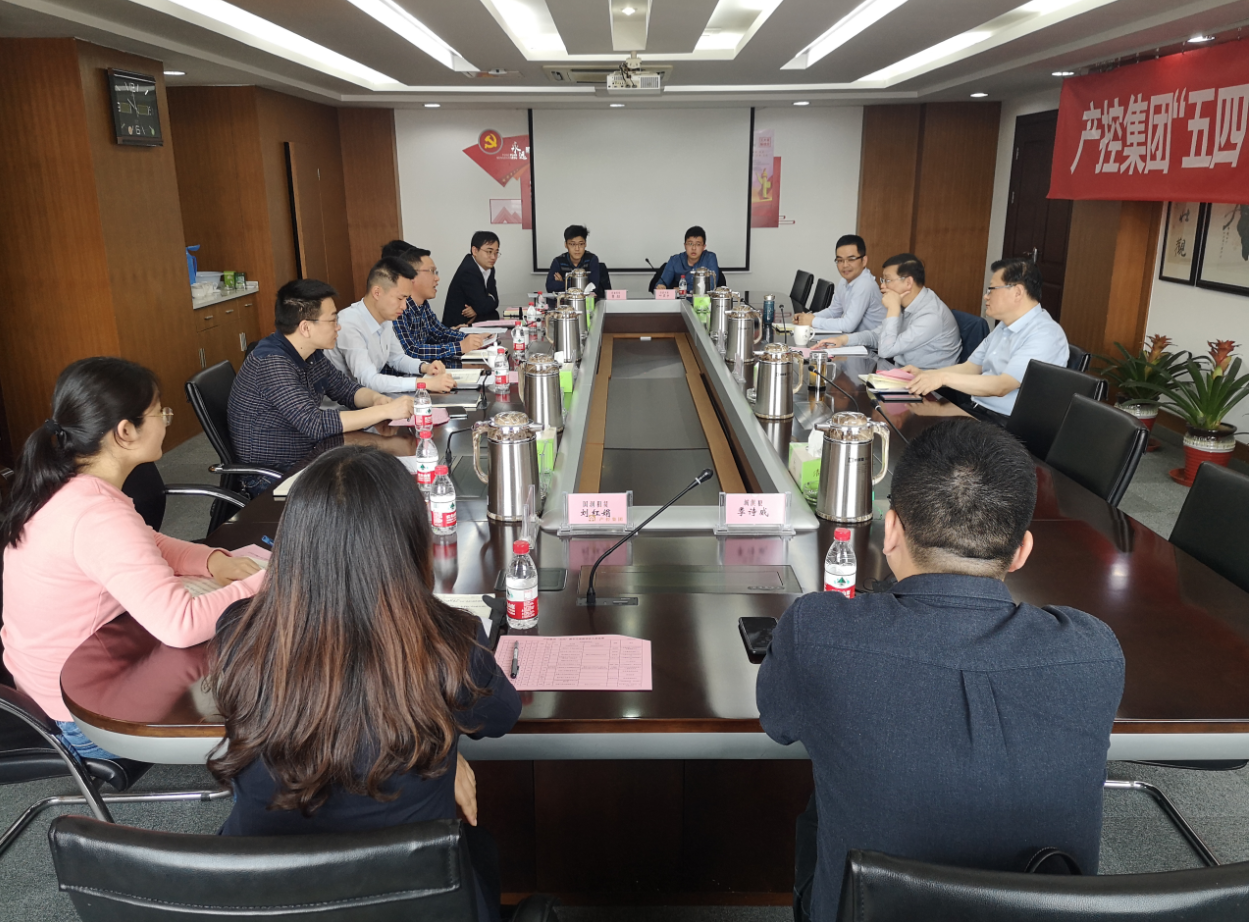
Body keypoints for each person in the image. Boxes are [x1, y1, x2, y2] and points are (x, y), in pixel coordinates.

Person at [757, 418, 1124, 922]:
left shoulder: (818, 631)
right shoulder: (1094, 651)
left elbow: (778, 723)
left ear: (890, 530)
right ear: (1022, 551)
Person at [208, 445, 520, 922]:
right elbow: (502, 717)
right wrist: (445, 745)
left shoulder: (239, 630)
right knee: (480, 849)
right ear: (409, 541)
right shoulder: (450, 641)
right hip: (413, 900)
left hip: (260, 898)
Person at [1, 357, 266, 759]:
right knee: (271, 694)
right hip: (82, 719)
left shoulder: (68, 485)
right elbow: (180, 624)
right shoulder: (96, 516)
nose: (166, 421)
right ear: (125, 431)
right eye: (161, 412)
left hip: (60, 681)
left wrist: (213, 561)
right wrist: (273, 578)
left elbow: (146, 541)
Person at [228, 279, 414, 495]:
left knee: (376, 472)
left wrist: (376, 400)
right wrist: (384, 411)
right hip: (273, 474)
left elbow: (346, 390)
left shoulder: (311, 354)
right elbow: (314, 423)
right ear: (306, 327)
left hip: (308, 454)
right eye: (332, 320)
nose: (338, 326)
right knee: (366, 488)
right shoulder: (272, 363)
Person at [903, 258, 1069, 421]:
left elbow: (1002, 386)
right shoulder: (1004, 326)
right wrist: (926, 374)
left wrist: (942, 379)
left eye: (991, 289)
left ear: (1018, 292)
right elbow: (971, 367)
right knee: (914, 417)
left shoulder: (1044, 334)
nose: (986, 296)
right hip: (977, 410)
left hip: (1005, 425)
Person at [326, 257, 454, 394]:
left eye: (406, 299)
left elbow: (397, 358)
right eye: (400, 298)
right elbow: (368, 380)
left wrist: (425, 367)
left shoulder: (385, 317)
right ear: (377, 293)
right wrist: (424, 383)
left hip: (368, 398)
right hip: (340, 403)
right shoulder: (349, 324)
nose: (404, 306)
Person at [813, 253, 962, 369]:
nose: (882, 286)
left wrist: (893, 310)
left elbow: (885, 350)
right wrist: (843, 340)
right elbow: (877, 335)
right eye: (882, 280)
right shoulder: (906, 304)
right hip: (902, 376)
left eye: (887, 280)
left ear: (908, 282)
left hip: (931, 390)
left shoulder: (931, 316)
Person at [383, 241, 488, 366]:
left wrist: (474, 338)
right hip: (402, 376)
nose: (437, 278)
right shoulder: (396, 307)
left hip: (424, 371)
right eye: (431, 272)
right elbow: (410, 351)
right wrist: (460, 346)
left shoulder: (422, 304)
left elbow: (439, 333)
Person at [795, 234, 885, 335]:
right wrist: (807, 318)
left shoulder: (865, 284)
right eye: (840, 260)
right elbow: (833, 311)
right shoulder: (844, 281)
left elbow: (848, 325)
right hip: (856, 339)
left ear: (864, 261)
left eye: (851, 259)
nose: (845, 265)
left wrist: (813, 321)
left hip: (874, 343)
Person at [442, 231, 500, 326]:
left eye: (496, 252)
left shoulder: (489, 268)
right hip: (458, 327)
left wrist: (477, 309)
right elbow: (483, 305)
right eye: (489, 252)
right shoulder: (469, 270)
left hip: (475, 322)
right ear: (475, 251)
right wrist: (482, 306)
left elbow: (495, 301)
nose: (493, 257)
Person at [546, 224, 612, 293]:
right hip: (566, 300)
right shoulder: (558, 261)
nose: (577, 249)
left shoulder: (592, 259)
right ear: (566, 245)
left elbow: (593, 287)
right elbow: (550, 287)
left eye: (581, 244)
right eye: (572, 244)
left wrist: (565, 283)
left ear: (585, 244)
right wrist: (582, 284)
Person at [655, 226, 720, 290]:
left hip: (701, 297)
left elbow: (711, 285)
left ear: (704, 247)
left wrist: (684, 289)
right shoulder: (675, 260)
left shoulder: (710, 258)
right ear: (685, 245)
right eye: (690, 244)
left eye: (698, 244)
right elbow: (662, 282)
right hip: (680, 297)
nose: (693, 248)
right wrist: (661, 286)